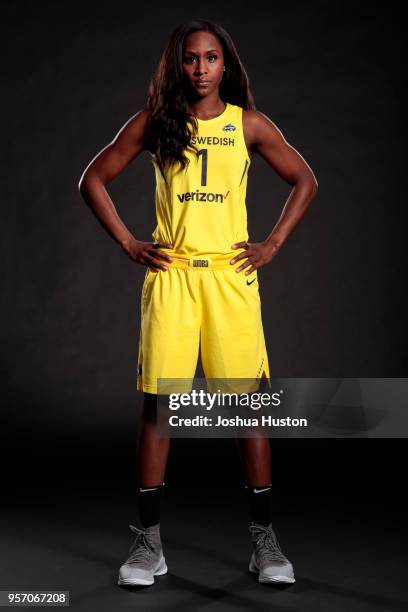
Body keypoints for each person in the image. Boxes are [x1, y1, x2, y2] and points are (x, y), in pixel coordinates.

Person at [78, 18, 318, 587]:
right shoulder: (155, 124)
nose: (202, 68)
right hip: (174, 277)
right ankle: (148, 544)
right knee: (160, 408)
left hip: (230, 279)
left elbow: (304, 179)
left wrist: (274, 243)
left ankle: (264, 541)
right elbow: (93, 178)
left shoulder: (249, 125)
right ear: (176, 65)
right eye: (191, 58)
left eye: (211, 58)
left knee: (247, 409)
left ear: (225, 65)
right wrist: (130, 243)